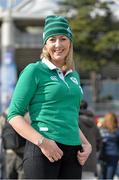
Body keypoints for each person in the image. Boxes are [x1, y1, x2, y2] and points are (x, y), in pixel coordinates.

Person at [7, 15, 92, 179]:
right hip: (42, 150)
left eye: (63, 39)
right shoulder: (34, 70)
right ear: (45, 44)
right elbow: (14, 115)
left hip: (73, 153)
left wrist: (86, 143)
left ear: (70, 43)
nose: (58, 45)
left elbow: (69, 117)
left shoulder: (74, 76)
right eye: (52, 39)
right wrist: (42, 142)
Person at [79, 100, 102, 179]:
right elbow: (99, 141)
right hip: (91, 160)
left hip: (78, 158)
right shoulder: (93, 122)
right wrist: (94, 151)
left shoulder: (74, 121)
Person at [98, 112, 119, 179]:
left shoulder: (101, 130)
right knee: (110, 176)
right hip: (113, 155)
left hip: (103, 154)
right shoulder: (117, 131)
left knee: (102, 174)